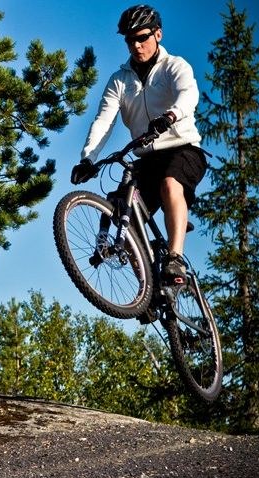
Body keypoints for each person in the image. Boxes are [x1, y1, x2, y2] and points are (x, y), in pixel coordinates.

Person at [71, 4, 207, 283]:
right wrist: (88, 158)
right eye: (129, 39)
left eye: (142, 37)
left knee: (170, 184)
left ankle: (175, 258)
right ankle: (148, 292)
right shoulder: (119, 80)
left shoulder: (174, 66)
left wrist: (170, 116)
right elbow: (104, 121)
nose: (136, 44)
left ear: (158, 34)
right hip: (147, 157)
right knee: (126, 220)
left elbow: (188, 95)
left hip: (183, 148)